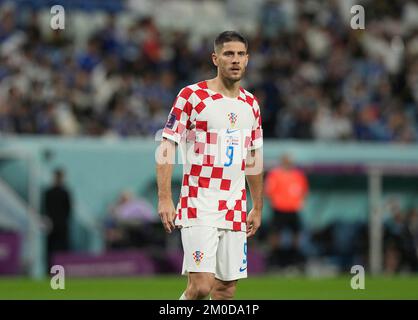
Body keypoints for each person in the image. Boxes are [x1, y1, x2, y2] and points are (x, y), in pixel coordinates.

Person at [156, 31, 263, 300]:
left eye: (240, 54)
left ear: (248, 59)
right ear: (216, 58)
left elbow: (253, 158)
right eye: (229, 54)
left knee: (226, 291)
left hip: (235, 207)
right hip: (199, 203)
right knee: (201, 287)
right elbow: (167, 146)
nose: (235, 60)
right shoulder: (192, 96)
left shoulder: (251, 104)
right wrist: (165, 197)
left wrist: (258, 206)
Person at [264, 153, 308, 268]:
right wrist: (275, 201)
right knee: (275, 233)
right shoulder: (275, 174)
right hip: (279, 209)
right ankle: (274, 258)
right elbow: (269, 190)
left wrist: (300, 202)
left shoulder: (298, 175)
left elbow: (304, 191)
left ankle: (294, 258)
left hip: (293, 209)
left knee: (296, 233)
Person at [43, 168, 72, 267]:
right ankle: (52, 271)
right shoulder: (49, 192)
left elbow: (68, 210)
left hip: (59, 226)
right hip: (54, 226)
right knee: (52, 250)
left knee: (59, 250)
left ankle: (59, 270)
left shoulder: (64, 192)